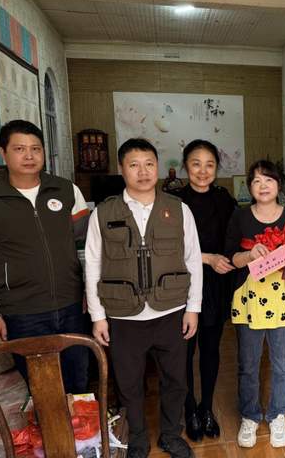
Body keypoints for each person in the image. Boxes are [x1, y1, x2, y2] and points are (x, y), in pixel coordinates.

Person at [85, 138, 202, 458]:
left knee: (176, 381)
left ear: (158, 167)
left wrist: (193, 308)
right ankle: (137, 437)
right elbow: (92, 264)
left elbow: (193, 260)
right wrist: (97, 316)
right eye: (134, 165)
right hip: (123, 315)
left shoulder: (178, 209)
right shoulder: (104, 212)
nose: (143, 171)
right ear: (121, 169)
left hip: (171, 310)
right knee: (128, 383)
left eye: (149, 164)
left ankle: (171, 434)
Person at [0, 120, 89, 393]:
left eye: (36, 149)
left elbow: (84, 247)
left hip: (72, 306)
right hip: (22, 312)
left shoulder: (67, 191)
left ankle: (80, 423)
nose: (29, 156)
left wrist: (89, 290)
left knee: (80, 381)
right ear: (3, 152)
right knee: (42, 389)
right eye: (20, 149)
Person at [224, 160, 285, 449]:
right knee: (248, 364)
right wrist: (249, 255)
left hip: (283, 298)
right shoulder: (240, 216)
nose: (263, 185)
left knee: (282, 364)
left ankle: (278, 413)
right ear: (250, 187)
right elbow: (231, 258)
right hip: (248, 299)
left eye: (268, 179)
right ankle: (250, 415)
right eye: (256, 181)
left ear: (279, 184)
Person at [173, 140, 237, 442]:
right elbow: (168, 249)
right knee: (184, 353)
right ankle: (190, 410)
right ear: (186, 166)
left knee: (211, 350)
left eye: (209, 164)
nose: (203, 171)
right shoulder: (173, 202)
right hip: (181, 286)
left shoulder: (225, 200)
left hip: (215, 286)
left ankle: (206, 407)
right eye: (196, 164)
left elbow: (235, 240)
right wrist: (208, 258)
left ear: (216, 168)